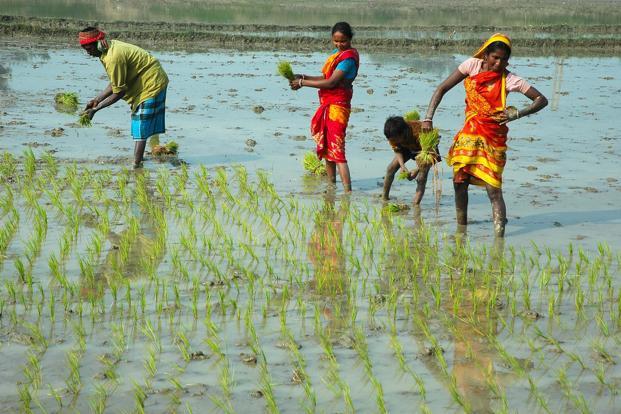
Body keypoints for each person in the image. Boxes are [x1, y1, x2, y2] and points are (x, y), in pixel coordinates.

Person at [422, 33, 548, 237]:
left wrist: (517, 113)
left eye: (504, 59)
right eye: (495, 58)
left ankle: (499, 238)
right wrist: (428, 118)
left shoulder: (510, 80)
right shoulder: (472, 66)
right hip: (469, 134)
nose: (499, 63)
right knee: (459, 182)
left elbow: (541, 100)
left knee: (493, 189)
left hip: (493, 138)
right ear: (486, 54)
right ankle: (461, 229)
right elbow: (442, 88)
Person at [79, 27, 169, 168]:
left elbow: (119, 91)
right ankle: (141, 159)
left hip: (152, 83)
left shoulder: (113, 57)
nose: (88, 53)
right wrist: (97, 99)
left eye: (89, 49)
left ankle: (136, 165)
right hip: (144, 81)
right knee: (140, 124)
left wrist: (96, 109)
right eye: (85, 49)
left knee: (141, 126)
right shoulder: (108, 50)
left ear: (98, 43)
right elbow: (116, 82)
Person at [290, 22, 360, 192]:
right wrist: (304, 76)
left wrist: (302, 83)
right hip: (328, 105)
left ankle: (347, 193)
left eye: (342, 41)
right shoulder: (337, 54)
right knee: (328, 150)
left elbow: (331, 82)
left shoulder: (348, 58)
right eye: (336, 41)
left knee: (338, 150)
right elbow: (325, 76)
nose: (339, 44)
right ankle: (331, 187)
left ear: (350, 39)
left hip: (337, 107)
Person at [382, 116, 440, 204]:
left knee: (421, 177)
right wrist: (402, 166)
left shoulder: (421, 132)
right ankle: (384, 199)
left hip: (425, 151)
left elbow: (430, 154)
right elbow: (397, 150)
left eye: (395, 139)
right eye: (392, 140)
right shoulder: (393, 135)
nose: (393, 141)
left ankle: (415, 205)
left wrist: (417, 170)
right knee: (390, 168)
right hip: (406, 148)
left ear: (403, 133)